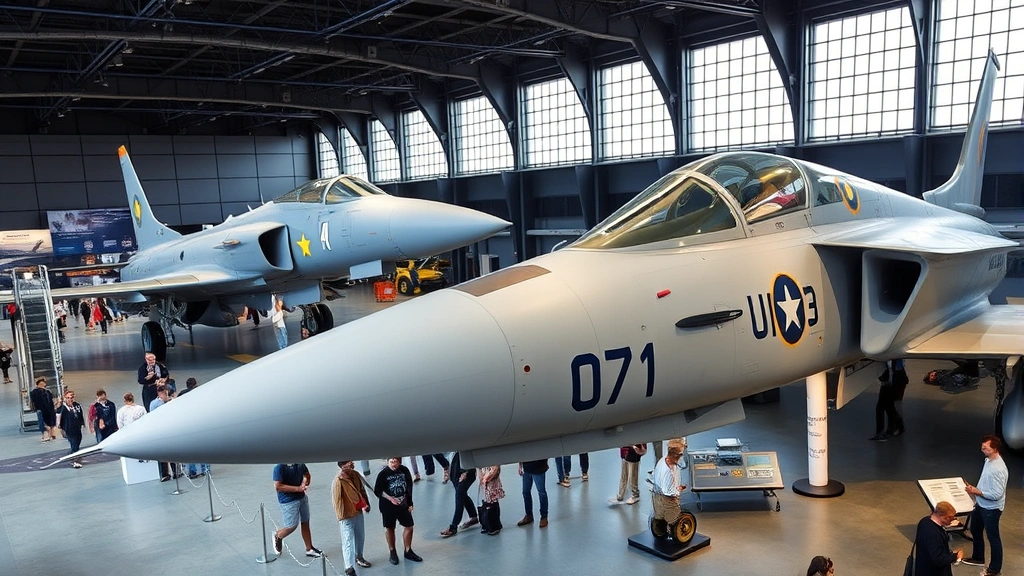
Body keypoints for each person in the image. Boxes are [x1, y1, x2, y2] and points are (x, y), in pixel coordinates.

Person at [961, 435, 1008, 576]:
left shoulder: (999, 470)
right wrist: (976, 491)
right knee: (975, 529)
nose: (982, 449)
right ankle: (978, 557)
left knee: (993, 538)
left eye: (985, 447)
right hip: (981, 505)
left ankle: (994, 569)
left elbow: (997, 494)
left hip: (991, 509)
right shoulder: (988, 460)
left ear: (995, 449)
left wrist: (978, 492)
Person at [373, 456, 422, 565]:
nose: (394, 464)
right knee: (390, 527)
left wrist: (410, 502)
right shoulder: (383, 473)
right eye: (391, 461)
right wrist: (391, 499)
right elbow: (377, 490)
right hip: (388, 506)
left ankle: (408, 550)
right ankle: (392, 551)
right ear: (387, 461)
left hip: (403, 504)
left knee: (409, 526)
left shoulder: (404, 470)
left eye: (396, 462)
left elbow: (409, 486)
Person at [272, 463, 323, 558]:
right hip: (288, 501)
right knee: (291, 526)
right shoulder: (279, 466)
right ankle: (278, 535)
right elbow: (278, 486)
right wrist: (298, 489)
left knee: (305, 521)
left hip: (302, 497)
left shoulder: (299, 463)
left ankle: (309, 549)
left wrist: (305, 482)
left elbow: (306, 474)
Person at [332, 461, 372, 576]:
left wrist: (366, 503)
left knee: (360, 536)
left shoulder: (355, 475)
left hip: (358, 511)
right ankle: (349, 568)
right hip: (347, 515)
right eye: (348, 462)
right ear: (342, 466)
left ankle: (359, 557)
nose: (352, 463)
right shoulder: (339, 480)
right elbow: (337, 500)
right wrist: (340, 517)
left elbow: (361, 490)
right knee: (347, 541)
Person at [913, 501, 963, 576]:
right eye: (950, 517)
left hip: (923, 568)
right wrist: (956, 556)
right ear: (941, 516)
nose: (952, 520)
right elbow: (938, 560)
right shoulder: (934, 534)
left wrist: (949, 553)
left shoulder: (924, 521)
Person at [175, 377, 210, 478]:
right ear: (195, 385)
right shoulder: (200, 393)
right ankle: (205, 469)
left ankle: (192, 472)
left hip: (187, 425)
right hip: (200, 424)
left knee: (190, 449)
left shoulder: (181, 394)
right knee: (204, 447)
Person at [440, 451, 478, 537]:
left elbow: (467, 454)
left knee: (459, 498)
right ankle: (473, 516)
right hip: (456, 474)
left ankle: (453, 527)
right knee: (463, 496)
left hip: (464, 474)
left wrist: (466, 471)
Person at [651, 445, 686, 527]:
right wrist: (678, 490)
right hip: (666, 500)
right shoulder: (668, 473)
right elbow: (668, 492)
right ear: (675, 456)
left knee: (659, 521)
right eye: (680, 455)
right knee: (674, 522)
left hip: (656, 496)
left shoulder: (662, 460)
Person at [870, 360, 905, 441]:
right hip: (890, 384)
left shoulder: (891, 359)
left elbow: (892, 371)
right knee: (889, 408)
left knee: (881, 408)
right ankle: (896, 427)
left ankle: (881, 432)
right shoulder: (895, 359)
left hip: (888, 385)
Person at [55, 389, 85, 469]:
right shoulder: (62, 408)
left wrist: (82, 423)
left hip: (77, 428)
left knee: (77, 443)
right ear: (65, 398)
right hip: (69, 429)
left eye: (71, 397)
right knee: (74, 444)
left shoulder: (77, 405)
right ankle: (75, 460)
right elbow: (58, 416)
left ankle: (72, 455)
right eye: (68, 398)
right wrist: (60, 427)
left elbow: (80, 414)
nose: (70, 399)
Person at [517, 459, 549, 528]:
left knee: (541, 492)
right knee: (525, 492)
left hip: (539, 467)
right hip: (526, 468)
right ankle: (529, 515)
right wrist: (520, 465)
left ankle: (544, 517)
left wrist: (545, 463)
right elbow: (520, 452)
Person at [477, 464, 504, 535]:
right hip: (483, 473)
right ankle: (486, 525)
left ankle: (495, 526)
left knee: (492, 501)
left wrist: (487, 477)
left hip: (491, 473)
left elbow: (496, 468)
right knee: (485, 501)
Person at [28, 376, 57, 441]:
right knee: (45, 423)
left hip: (49, 409)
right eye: (43, 382)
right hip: (42, 409)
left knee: (50, 422)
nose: (45, 383)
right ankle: (47, 435)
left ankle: (51, 434)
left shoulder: (47, 392)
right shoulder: (37, 392)